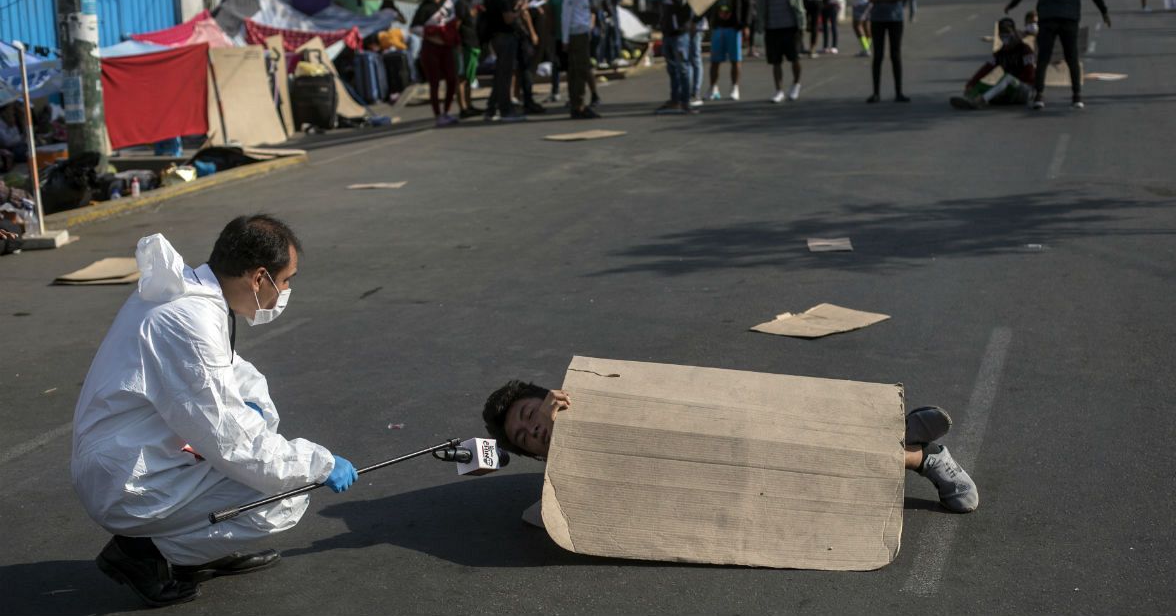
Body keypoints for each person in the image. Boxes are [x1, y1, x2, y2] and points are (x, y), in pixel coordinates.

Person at [71, 216, 358, 607]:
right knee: (286, 495)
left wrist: (259, 418)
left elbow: (236, 379)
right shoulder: (187, 321)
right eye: (286, 280)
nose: (287, 290)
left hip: (136, 458)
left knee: (261, 444)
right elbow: (233, 442)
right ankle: (142, 554)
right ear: (259, 278)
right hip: (130, 482)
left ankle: (200, 550)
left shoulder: (194, 299)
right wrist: (318, 464)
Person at [481, 382, 981, 514]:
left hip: (723, 436)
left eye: (530, 414)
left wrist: (566, 415)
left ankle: (921, 455)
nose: (535, 428)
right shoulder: (561, 475)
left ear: (545, 395)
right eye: (525, 438)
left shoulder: (592, 394)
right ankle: (907, 442)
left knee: (805, 448)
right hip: (716, 482)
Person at [1005, 0, 1110, 110]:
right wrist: (1104, 11)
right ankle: (1077, 97)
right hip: (1070, 18)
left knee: (1043, 58)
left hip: (1047, 17)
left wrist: (1013, 4)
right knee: (1072, 58)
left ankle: (1039, 96)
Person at [752, 0, 806, 103]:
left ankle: (796, 84)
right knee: (775, 62)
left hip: (791, 26)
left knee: (794, 59)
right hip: (771, 26)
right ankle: (779, 90)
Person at [951, 17, 1036, 109]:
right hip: (1010, 92)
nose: (1005, 36)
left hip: (1025, 89)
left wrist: (1007, 85)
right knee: (979, 85)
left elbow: (1029, 74)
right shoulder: (1000, 54)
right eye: (1002, 34)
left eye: (1007, 33)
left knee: (1008, 78)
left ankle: (980, 101)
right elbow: (985, 69)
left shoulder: (1025, 50)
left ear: (1014, 33)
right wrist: (971, 84)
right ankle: (969, 99)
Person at [413, 0, 460, 127]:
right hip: (431, 48)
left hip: (447, 48)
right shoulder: (424, 7)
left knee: (452, 79)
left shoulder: (448, 4)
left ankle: (446, 111)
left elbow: (453, 23)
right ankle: (438, 115)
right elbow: (414, 28)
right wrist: (432, 36)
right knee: (434, 83)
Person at [484, 0, 529, 122]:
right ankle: (506, 110)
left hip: (495, 36)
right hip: (505, 36)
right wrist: (520, 10)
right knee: (505, 75)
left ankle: (491, 108)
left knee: (500, 74)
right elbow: (508, 18)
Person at [866, 0, 911, 103]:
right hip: (877, 19)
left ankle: (899, 92)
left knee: (895, 55)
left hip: (895, 18)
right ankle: (876, 92)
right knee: (877, 56)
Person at [707, 0, 750, 100]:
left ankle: (735, 88)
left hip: (734, 27)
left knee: (735, 60)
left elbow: (747, 6)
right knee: (715, 61)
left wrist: (745, 25)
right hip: (719, 26)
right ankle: (713, 88)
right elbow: (710, 4)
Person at [562, 0, 601, 119]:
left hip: (582, 33)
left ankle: (577, 104)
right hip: (575, 34)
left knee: (581, 69)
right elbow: (566, 14)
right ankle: (578, 105)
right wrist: (565, 39)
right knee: (579, 71)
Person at [656, 0, 698, 114]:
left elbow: (680, 1)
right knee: (672, 69)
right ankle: (675, 100)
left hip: (680, 34)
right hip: (668, 32)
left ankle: (685, 101)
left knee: (683, 69)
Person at [455, 0, 484, 118]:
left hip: (474, 43)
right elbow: (457, 25)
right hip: (465, 44)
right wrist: (458, 43)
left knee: (469, 77)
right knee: (462, 77)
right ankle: (463, 108)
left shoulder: (473, 3)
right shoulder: (461, 4)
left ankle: (469, 105)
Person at [546, 0, 569, 103]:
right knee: (557, 65)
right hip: (559, 36)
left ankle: (574, 95)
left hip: (572, 36)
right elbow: (550, 16)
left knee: (572, 67)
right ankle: (555, 91)